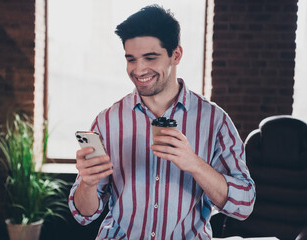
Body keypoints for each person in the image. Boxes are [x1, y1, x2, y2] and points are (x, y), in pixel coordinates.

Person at [68, 5, 255, 239]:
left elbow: (245, 204)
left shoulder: (215, 120)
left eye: (150, 57)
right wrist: (87, 183)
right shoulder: (107, 121)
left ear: (175, 55)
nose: (138, 69)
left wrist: (195, 164)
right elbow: (83, 215)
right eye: (131, 59)